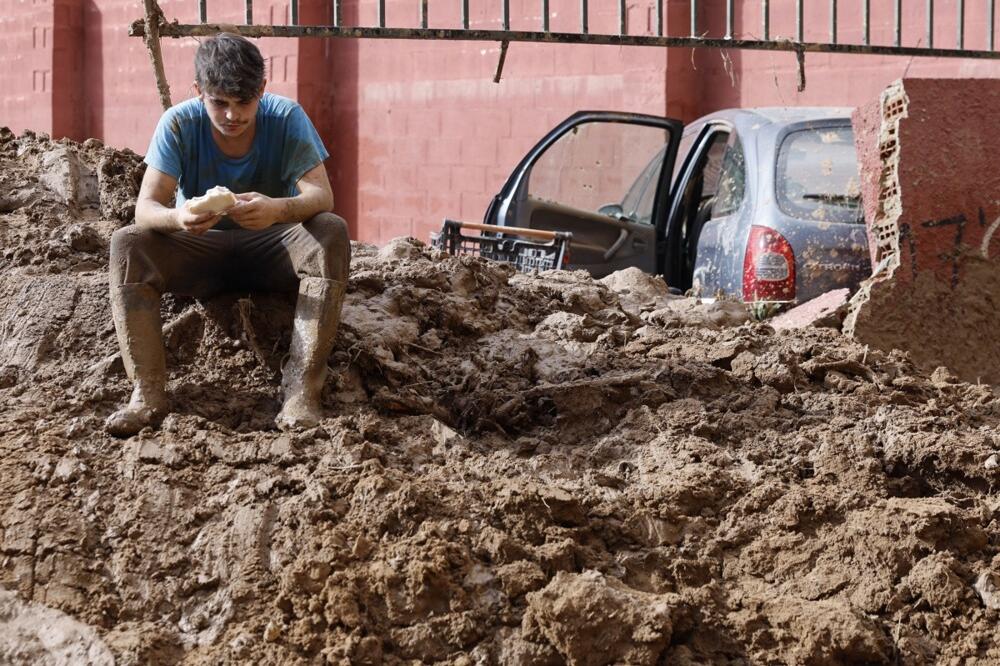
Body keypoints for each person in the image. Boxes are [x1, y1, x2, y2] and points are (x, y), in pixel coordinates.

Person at [106, 32, 350, 436]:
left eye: (244, 102)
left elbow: (321, 195)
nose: (232, 115)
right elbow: (145, 207)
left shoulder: (286, 117)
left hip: (272, 248)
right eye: (219, 103)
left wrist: (277, 209)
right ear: (198, 91)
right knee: (128, 243)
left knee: (330, 230)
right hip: (198, 249)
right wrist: (180, 217)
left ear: (262, 90)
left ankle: (303, 389)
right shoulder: (179, 123)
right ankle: (147, 393)